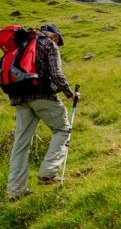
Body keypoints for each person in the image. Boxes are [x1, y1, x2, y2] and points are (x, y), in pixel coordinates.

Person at [7, 23, 81, 199]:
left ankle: (16, 191)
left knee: (21, 144)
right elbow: (56, 74)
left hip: (19, 98)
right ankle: (48, 173)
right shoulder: (49, 44)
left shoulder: (21, 45)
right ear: (54, 36)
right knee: (63, 129)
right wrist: (71, 94)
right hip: (43, 95)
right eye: (57, 39)